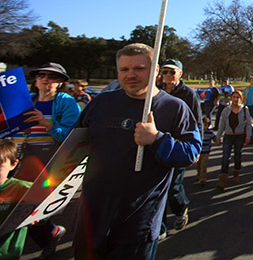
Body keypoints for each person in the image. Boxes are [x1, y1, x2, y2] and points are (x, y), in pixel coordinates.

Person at [73, 43, 201, 259]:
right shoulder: (101, 103)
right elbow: (74, 147)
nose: (130, 75)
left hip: (138, 222)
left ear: (156, 71)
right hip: (91, 216)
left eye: (139, 69)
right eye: (124, 69)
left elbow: (191, 154)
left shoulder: (175, 108)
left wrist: (157, 139)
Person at [13, 62, 79, 258]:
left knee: (31, 208)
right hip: (20, 159)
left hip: (49, 160)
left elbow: (70, 137)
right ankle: (51, 234)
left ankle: (48, 235)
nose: (45, 79)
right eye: (41, 75)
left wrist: (46, 123)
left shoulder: (65, 102)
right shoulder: (26, 100)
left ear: (60, 82)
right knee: (16, 205)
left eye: (52, 77)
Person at [157, 59, 203, 233]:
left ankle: (180, 209)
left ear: (180, 74)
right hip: (157, 143)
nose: (168, 75)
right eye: (165, 71)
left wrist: (196, 148)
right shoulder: (156, 92)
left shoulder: (188, 94)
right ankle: (159, 227)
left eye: (172, 72)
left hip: (179, 145)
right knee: (157, 188)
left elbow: (197, 121)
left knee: (174, 186)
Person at [0, 140, 32, 260]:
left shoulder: (24, 189)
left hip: (8, 254)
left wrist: (35, 216)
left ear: (13, 164)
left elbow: (45, 211)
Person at [215, 91, 253, 190]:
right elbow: (222, 124)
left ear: (241, 99)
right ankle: (223, 178)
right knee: (225, 156)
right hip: (228, 135)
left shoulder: (244, 109)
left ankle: (236, 173)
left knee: (237, 155)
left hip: (239, 136)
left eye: (238, 97)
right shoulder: (226, 110)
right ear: (231, 98)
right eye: (234, 97)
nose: (236, 99)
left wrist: (248, 136)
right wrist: (218, 136)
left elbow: (248, 124)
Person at [195, 116, 215, 186]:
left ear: (208, 126)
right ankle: (199, 175)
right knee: (198, 165)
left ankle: (202, 178)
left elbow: (214, 138)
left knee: (203, 165)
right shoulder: (198, 132)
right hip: (199, 151)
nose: (204, 127)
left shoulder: (209, 133)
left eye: (206, 125)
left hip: (206, 152)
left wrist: (217, 140)